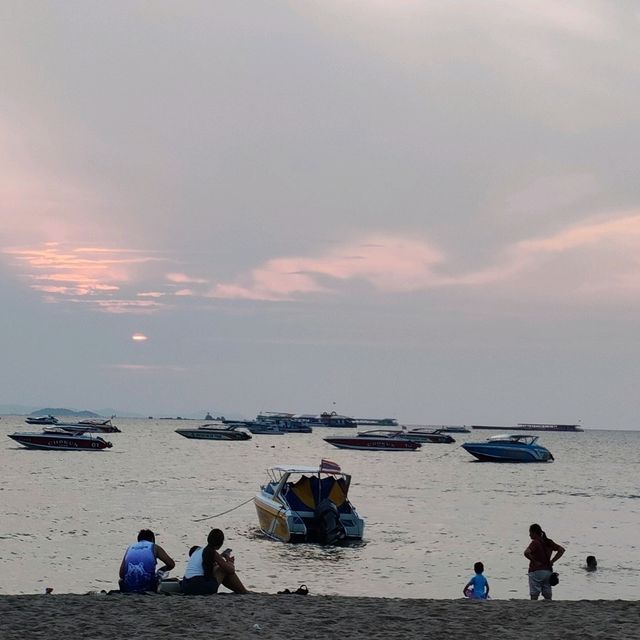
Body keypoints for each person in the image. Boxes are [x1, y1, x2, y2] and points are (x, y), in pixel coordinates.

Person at [182, 528, 248, 595]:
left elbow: (206, 564)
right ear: (221, 543)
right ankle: (243, 591)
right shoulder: (212, 552)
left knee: (218, 567)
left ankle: (240, 591)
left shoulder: (197, 550)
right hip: (199, 586)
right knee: (223, 569)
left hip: (186, 585)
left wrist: (221, 557)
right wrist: (230, 562)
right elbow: (231, 570)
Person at [524, 523, 565, 600]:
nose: (529, 535)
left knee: (534, 596)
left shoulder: (535, 542)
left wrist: (534, 561)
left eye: (530, 532)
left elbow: (526, 552)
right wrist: (552, 561)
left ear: (534, 532)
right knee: (548, 596)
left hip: (535, 571)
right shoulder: (548, 541)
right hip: (548, 572)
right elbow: (561, 550)